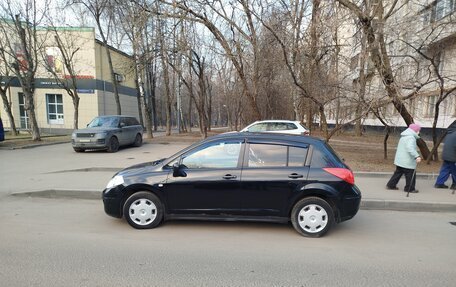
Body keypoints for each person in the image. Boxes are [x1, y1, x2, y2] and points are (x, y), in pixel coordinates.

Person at [386, 123, 422, 193]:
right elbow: (410, 148)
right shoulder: (411, 137)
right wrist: (417, 156)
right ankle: (410, 188)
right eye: (418, 130)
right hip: (407, 161)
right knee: (411, 175)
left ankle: (391, 185)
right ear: (415, 131)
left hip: (400, 160)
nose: (419, 132)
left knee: (398, 173)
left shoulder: (404, 136)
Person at [434, 120, 456, 189]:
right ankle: (454, 185)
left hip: (446, 155)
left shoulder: (450, 132)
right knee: (454, 170)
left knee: (445, 169)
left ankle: (439, 183)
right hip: (453, 156)